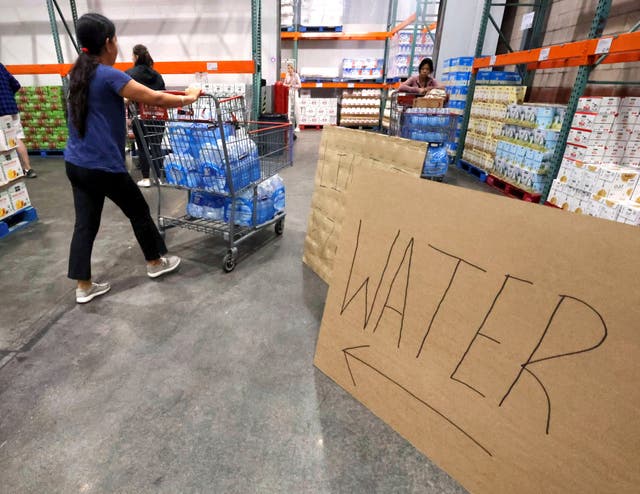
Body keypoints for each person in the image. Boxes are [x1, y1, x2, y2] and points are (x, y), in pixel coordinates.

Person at [65, 13, 200, 304]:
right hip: (103, 166)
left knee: (84, 224)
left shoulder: (77, 72)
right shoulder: (108, 74)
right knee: (138, 211)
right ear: (108, 42)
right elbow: (157, 98)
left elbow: (99, 102)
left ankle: (84, 286)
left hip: (75, 163)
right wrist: (189, 97)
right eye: (116, 41)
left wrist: (122, 99)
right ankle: (155, 263)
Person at [125, 44, 165, 188]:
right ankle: (159, 178)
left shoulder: (129, 74)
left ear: (135, 57)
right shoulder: (157, 75)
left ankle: (146, 178)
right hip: (158, 117)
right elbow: (163, 95)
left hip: (140, 116)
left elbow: (125, 95)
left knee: (142, 147)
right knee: (156, 146)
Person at [0, 63, 37, 178]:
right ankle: (28, 169)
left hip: (1, 111)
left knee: (2, 142)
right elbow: (16, 85)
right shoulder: (0, 66)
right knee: (16, 138)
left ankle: (7, 173)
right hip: (11, 108)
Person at [283, 63, 301, 131]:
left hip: (295, 92)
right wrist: (287, 85)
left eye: (290, 68)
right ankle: (289, 124)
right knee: (289, 108)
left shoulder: (296, 75)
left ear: (293, 69)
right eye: (288, 68)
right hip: (289, 92)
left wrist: (292, 86)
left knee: (297, 108)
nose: (289, 70)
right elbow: (284, 83)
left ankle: (298, 126)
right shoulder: (287, 75)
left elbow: (300, 85)